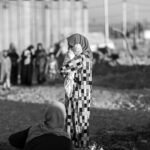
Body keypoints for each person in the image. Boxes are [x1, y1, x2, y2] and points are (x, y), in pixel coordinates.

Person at [60, 33, 93, 148]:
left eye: (73, 45)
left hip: (78, 95)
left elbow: (63, 70)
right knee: (83, 122)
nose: (71, 48)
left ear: (81, 45)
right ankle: (82, 144)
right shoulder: (88, 58)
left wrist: (69, 56)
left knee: (75, 121)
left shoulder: (80, 59)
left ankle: (75, 145)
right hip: (85, 95)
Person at [8, 101, 73, 150]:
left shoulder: (34, 129)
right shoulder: (67, 142)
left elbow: (12, 139)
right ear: (63, 118)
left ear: (47, 115)